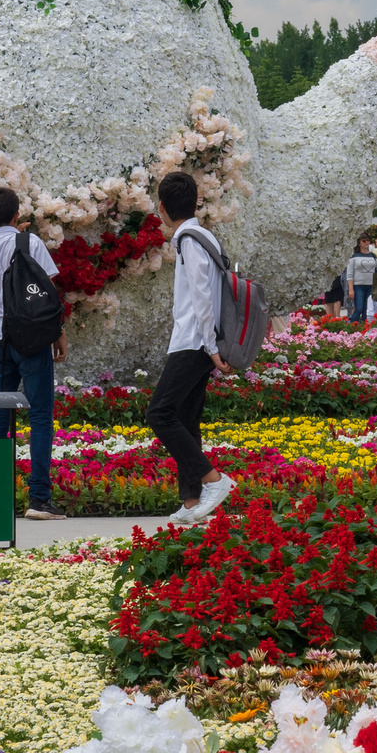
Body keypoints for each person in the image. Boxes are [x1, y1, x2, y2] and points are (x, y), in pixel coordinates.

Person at [0, 187, 65, 522]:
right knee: (39, 415)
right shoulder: (31, 243)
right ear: (16, 214)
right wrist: (58, 333)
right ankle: (38, 499)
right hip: (33, 339)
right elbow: (48, 293)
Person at [145, 171, 235, 525]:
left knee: (159, 413)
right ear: (194, 201)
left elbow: (201, 295)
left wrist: (212, 348)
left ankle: (214, 480)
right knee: (185, 417)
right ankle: (192, 501)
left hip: (194, 341)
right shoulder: (203, 235)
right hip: (199, 340)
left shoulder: (188, 239)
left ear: (163, 208)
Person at [343, 238, 377, 325]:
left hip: (371, 285)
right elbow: (349, 274)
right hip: (358, 285)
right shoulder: (354, 257)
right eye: (364, 241)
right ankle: (352, 326)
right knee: (359, 308)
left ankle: (364, 327)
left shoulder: (373, 256)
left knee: (367, 309)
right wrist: (351, 289)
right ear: (359, 243)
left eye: (368, 240)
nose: (366, 242)